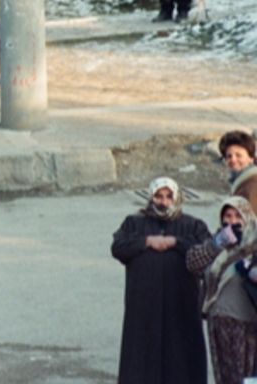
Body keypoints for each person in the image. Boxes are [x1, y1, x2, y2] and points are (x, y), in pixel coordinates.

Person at [111, 176, 210, 384]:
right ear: (151, 197)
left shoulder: (193, 225)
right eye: (158, 196)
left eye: (168, 196)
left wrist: (175, 241)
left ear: (177, 198)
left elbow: (207, 250)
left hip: (181, 304)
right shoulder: (134, 223)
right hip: (143, 306)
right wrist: (147, 241)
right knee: (141, 355)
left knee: (181, 354)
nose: (164, 202)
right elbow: (118, 248)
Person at [186, 196, 257, 384]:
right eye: (228, 216)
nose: (232, 221)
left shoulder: (253, 244)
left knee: (245, 378)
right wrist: (217, 244)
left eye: (238, 216)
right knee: (224, 377)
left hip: (246, 324)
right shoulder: (217, 242)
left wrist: (249, 268)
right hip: (218, 322)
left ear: (247, 218)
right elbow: (193, 263)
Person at [221, 130, 257, 210]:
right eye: (229, 156)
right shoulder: (242, 182)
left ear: (251, 158)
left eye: (238, 155)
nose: (233, 160)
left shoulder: (252, 186)